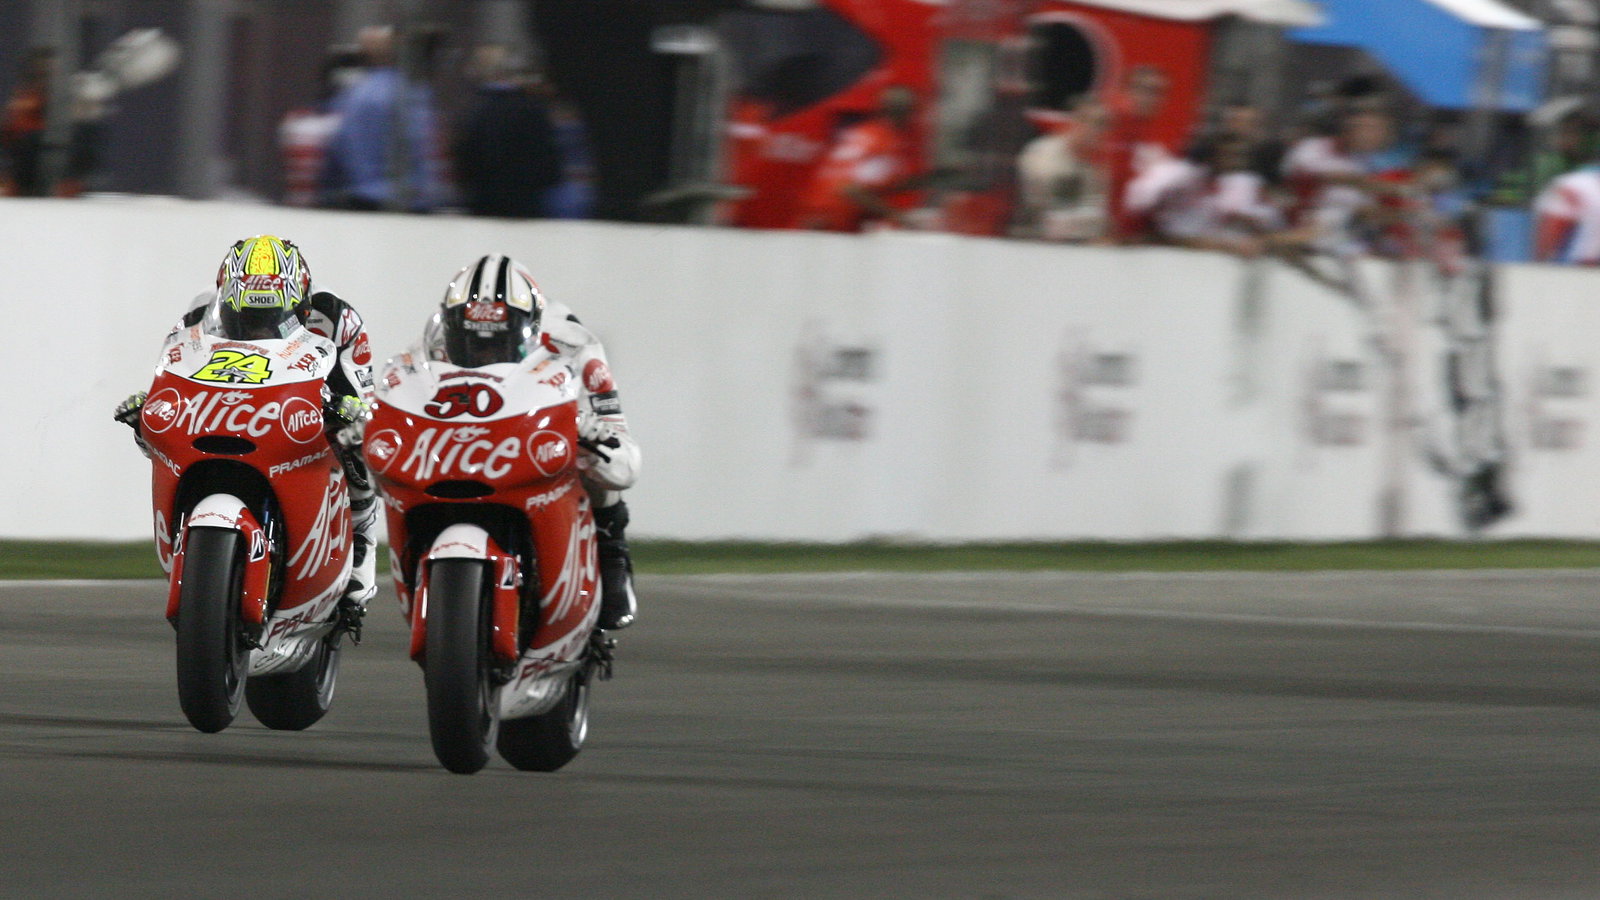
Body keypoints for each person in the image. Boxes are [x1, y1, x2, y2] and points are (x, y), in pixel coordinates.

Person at [112, 236, 379, 634]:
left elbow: (362, 395)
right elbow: (174, 373)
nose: (257, 324)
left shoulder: (337, 318)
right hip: (235, 407)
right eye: (246, 314)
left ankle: (362, 554)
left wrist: (346, 412)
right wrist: (149, 412)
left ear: (300, 300)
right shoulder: (197, 313)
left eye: (270, 312)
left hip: (305, 404)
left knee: (357, 444)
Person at [420, 254, 641, 630]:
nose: (482, 353)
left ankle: (612, 549)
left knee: (601, 464)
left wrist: (588, 428)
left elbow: (621, 451)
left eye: (495, 343)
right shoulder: (436, 340)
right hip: (472, 424)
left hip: (536, 417)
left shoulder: (576, 348)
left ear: (529, 330)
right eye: (470, 341)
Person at [322, 25, 443, 212]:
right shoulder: (412, 94)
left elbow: (343, 148)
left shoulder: (356, 94)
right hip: (407, 201)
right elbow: (419, 148)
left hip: (366, 196)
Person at [793, 85, 926, 232]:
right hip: (835, 223)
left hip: (812, 217)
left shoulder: (862, 133)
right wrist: (898, 217)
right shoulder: (884, 144)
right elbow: (851, 189)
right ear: (910, 114)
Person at [453, 44, 563, 218]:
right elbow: (547, 157)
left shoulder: (477, 109)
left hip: (485, 199)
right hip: (527, 201)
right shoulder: (532, 108)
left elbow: (466, 155)